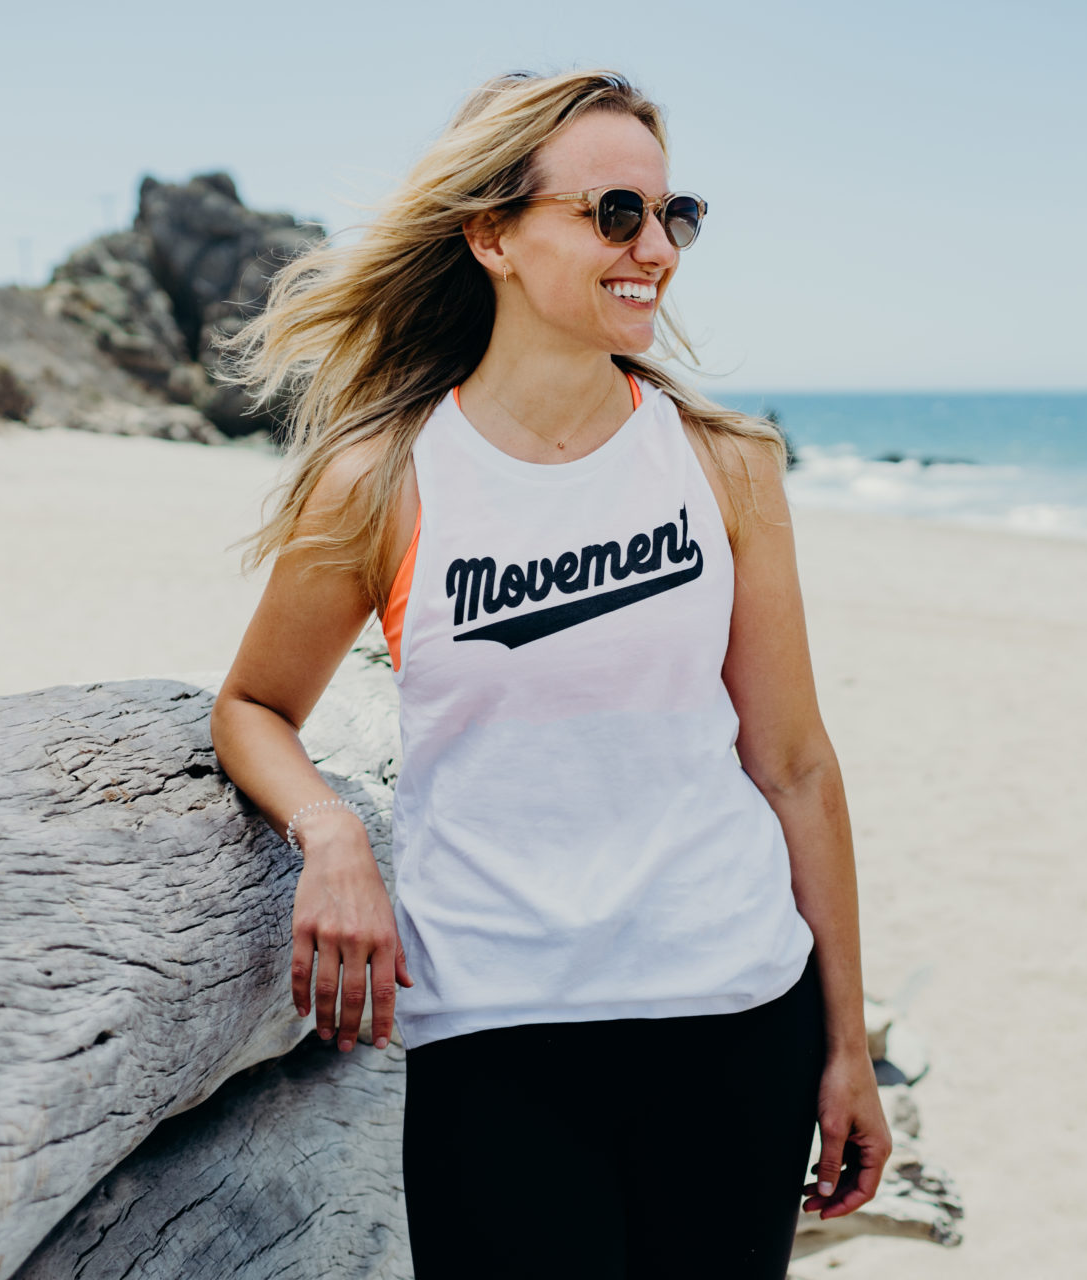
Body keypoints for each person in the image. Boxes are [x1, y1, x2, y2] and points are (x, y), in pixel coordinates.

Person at [208, 68, 891, 1278]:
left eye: (673, 216)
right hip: (496, 1028)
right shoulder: (384, 478)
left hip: (734, 1013)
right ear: (493, 235)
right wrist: (332, 834)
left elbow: (791, 764)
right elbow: (254, 704)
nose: (655, 249)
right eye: (612, 214)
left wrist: (847, 1045)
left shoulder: (725, 465)